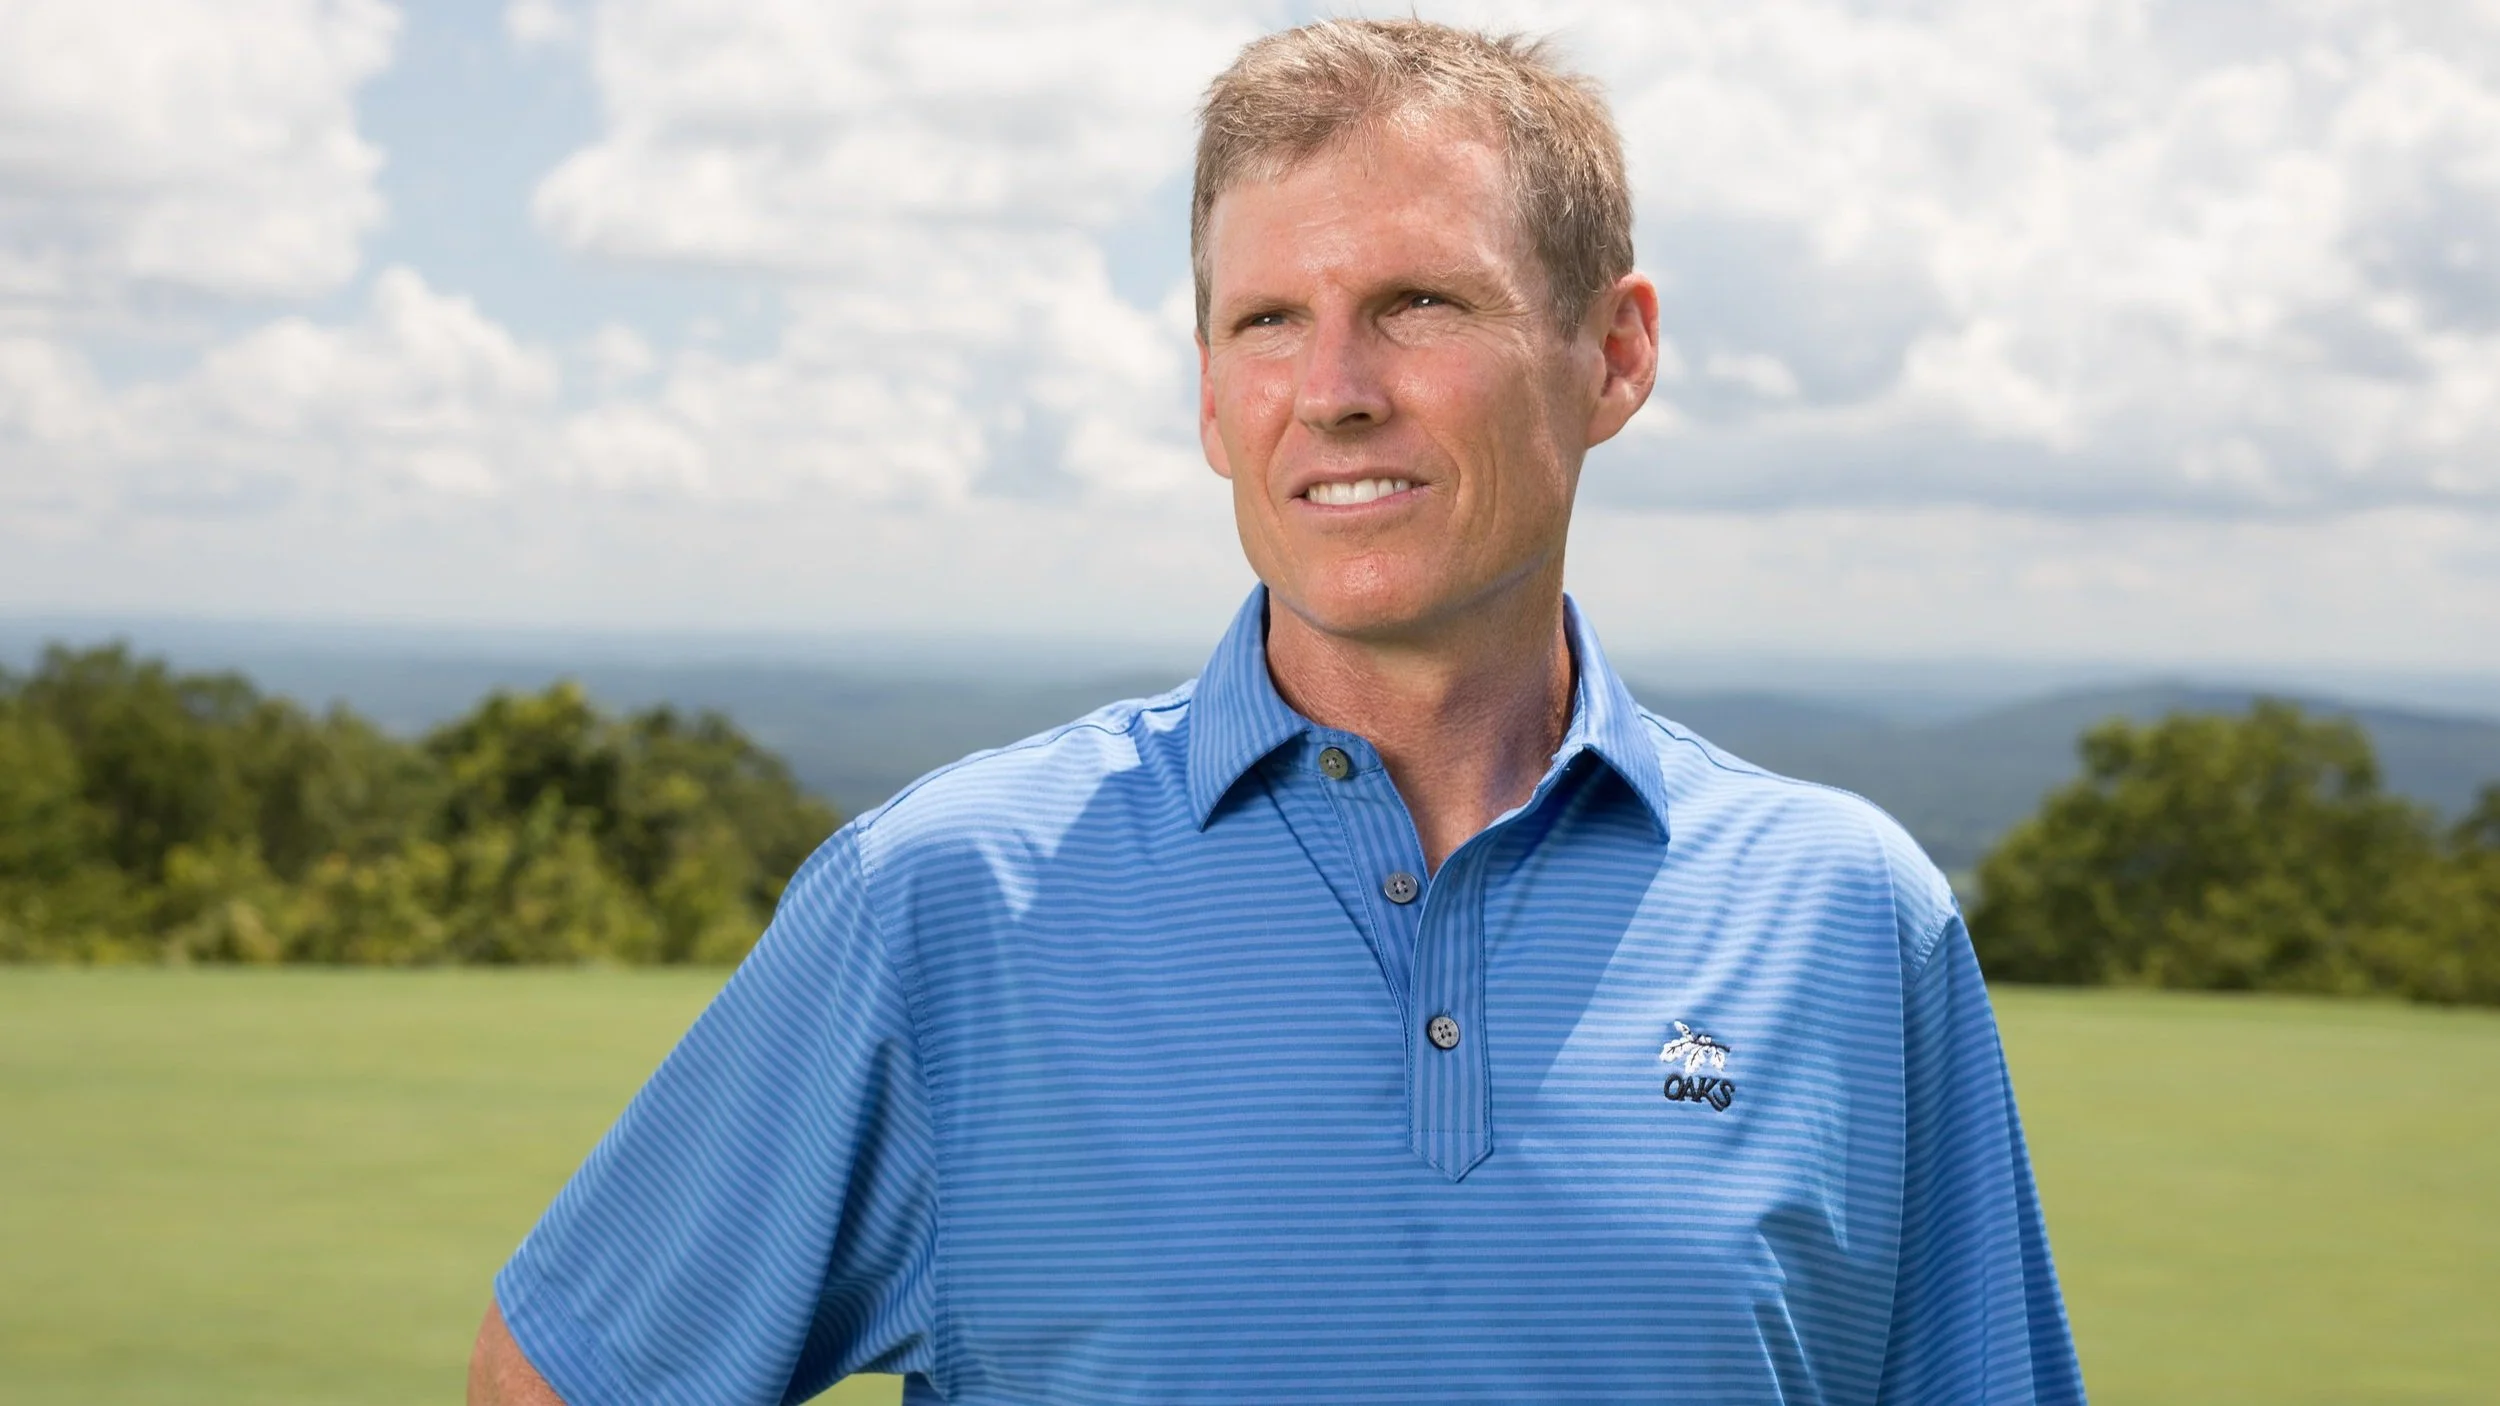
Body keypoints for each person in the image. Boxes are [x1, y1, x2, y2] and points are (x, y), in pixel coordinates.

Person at [469, 19, 2085, 1405]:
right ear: (1209, 397)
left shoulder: (1851, 920)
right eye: (1265, 321)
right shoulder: (946, 899)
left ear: (1613, 353)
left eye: (1420, 303)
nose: (1333, 390)